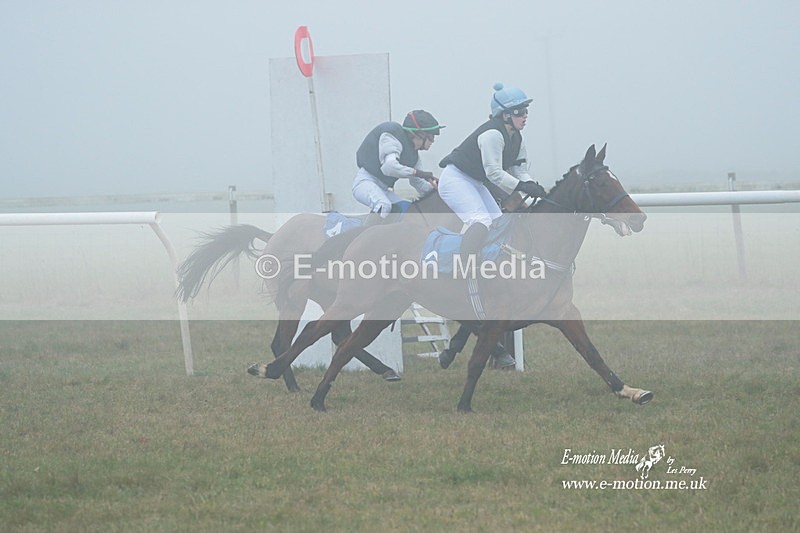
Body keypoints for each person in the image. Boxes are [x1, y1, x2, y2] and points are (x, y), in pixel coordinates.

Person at [438, 83, 546, 261]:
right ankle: (464, 267)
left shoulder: (517, 138)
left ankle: (489, 262)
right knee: (481, 222)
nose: (525, 116)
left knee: (499, 223)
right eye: (519, 112)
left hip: (475, 182)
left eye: (526, 111)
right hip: (455, 180)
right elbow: (494, 173)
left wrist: (535, 190)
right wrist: (522, 186)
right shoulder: (492, 135)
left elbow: (520, 171)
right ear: (505, 115)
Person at [353, 110, 444, 224]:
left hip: (384, 189)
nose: (433, 141)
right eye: (430, 137)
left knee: (408, 210)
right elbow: (389, 167)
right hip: (365, 182)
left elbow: (418, 183)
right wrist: (417, 172)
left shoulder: (414, 157)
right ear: (419, 135)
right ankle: (364, 237)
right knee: (384, 206)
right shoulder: (391, 135)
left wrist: (440, 191)